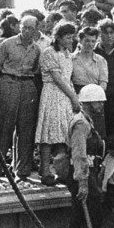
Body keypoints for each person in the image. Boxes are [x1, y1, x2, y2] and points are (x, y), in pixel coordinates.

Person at [57, 84, 106, 228]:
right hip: (81, 173)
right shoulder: (81, 124)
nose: (101, 105)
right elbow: (79, 154)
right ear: (87, 102)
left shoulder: (86, 121)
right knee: (91, 213)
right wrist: (83, 182)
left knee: (80, 213)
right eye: (97, 102)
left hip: (86, 172)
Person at [0, 14, 40, 180]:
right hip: (8, 82)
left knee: (26, 128)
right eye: (24, 26)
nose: (26, 30)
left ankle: (22, 170)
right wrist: (6, 80)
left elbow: (36, 69)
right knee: (3, 126)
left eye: (30, 28)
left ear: (36, 30)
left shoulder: (36, 49)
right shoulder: (7, 43)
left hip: (28, 85)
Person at [36, 22, 81, 185]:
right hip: (53, 94)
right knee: (48, 132)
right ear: (59, 37)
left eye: (72, 37)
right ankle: (45, 170)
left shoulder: (68, 53)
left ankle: (60, 169)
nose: (71, 40)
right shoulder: (49, 52)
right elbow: (58, 79)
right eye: (68, 37)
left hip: (65, 95)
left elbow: (68, 79)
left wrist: (72, 96)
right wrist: (73, 98)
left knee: (62, 133)